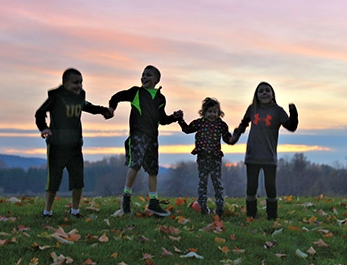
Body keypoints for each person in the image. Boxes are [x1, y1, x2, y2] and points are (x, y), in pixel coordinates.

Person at [35, 68, 113, 218]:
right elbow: (39, 113)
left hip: (75, 145)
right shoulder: (56, 97)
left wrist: (104, 111)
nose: (79, 86)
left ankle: (75, 211)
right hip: (56, 145)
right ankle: (47, 212)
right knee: (54, 181)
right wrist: (44, 128)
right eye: (75, 83)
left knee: (78, 180)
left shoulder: (80, 96)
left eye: (81, 83)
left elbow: (87, 106)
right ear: (65, 83)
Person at [109, 65, 182, 217]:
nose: (144, 77)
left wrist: (174, 117)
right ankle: (126, 197)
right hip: (137, 135)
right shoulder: (136, 92)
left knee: (153, 170)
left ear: (157, 80)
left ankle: (153, 203)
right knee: (135, 164)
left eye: (148, 75)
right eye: (142, 75)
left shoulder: (161, 99)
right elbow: (116, 97)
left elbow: (162, 120)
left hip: (153, 137)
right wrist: (111, 108)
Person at [230, 82, 298, 220]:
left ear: (273, 94)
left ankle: (272, 217)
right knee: (251, 187)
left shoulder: (278, 111)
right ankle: (251, 216)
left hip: (269, 156)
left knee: (270, 188)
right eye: (261, 91)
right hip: (253, 155)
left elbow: (291, 126)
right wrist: (235, 137)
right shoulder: (252, 109)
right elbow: (243, 124)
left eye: (267, 90)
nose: (264, 93)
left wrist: (293, 113)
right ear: (256, 95)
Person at [178, 97, 233, 217]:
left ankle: (220, 208)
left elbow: (226, 138)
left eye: (215, 112)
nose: (212, 114)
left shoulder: (221, 125)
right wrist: (180, 120)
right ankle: (202, 208)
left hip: (215, 158)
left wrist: (233, 137)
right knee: (202, 183)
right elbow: (187, 129)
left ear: (219, 113)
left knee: (217, 183)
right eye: (209, 111)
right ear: (204, 112)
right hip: (202, 158)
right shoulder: (199, 123)